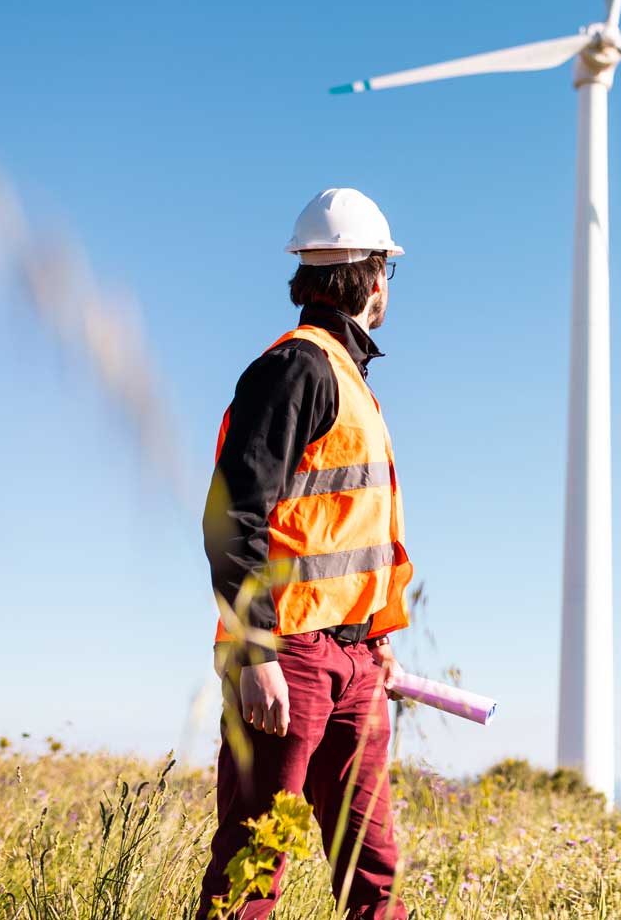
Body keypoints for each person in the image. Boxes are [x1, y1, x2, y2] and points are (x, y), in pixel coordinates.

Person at [198, 188, 414, 920]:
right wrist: (256, 651)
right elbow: (235, 515)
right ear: (375, 276)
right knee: (254, 868)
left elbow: (348, 540)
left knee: (373, 875)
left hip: (352, 665)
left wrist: (378, 642)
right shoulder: (298, 369)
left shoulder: (350, 381)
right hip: (287, 658)